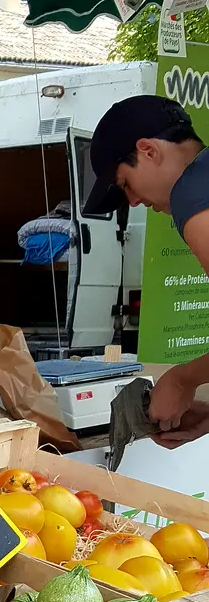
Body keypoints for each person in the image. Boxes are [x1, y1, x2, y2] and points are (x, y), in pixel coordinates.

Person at [83, 93, 209, 444]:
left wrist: (183, 379)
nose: (134, 201)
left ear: (149, 151)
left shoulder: (193, 194)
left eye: (125, 184)